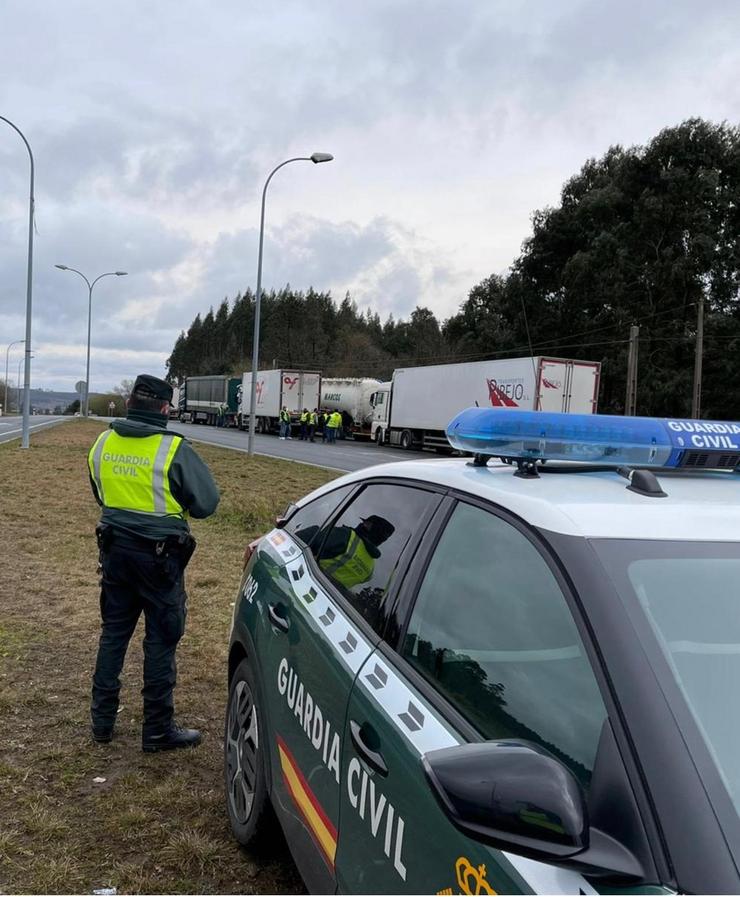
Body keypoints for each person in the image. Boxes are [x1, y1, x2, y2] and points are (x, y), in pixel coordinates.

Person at [87, 374, 220, 752]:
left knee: (114, 634)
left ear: (130, 403)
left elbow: (100, 492)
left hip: (114, 551)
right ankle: (158, 729)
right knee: (160, 640)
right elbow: (206, 504)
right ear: (165, 409)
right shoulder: (174, 448)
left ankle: (102, 723)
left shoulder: (103, 441)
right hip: (159, 559)